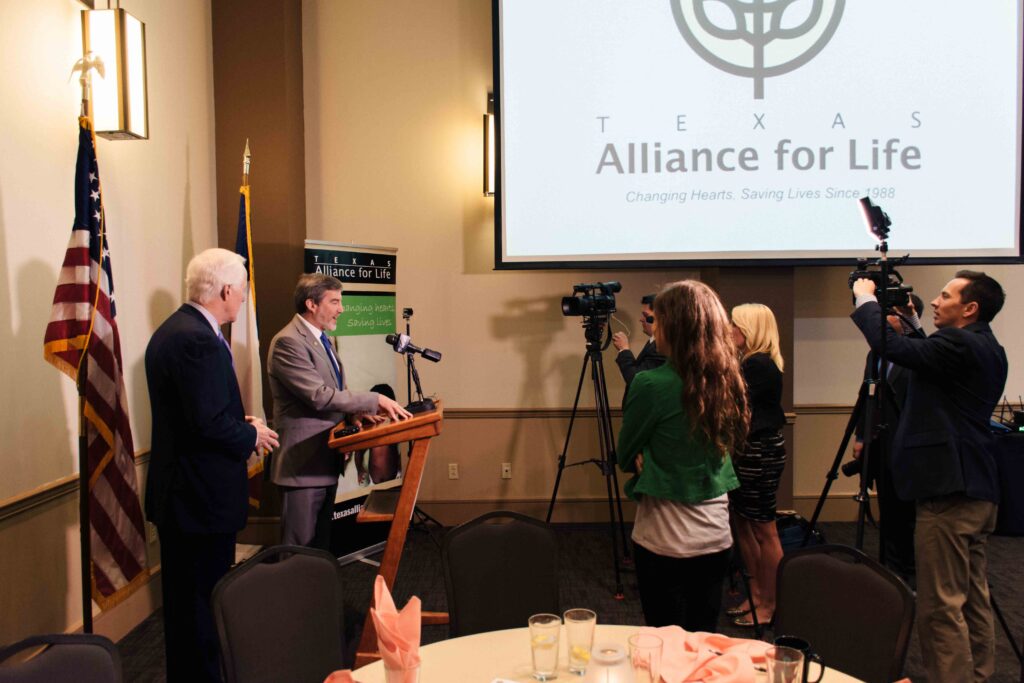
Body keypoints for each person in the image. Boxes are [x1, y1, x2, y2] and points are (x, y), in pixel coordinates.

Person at [851, 270, 1007, 683]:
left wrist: (864, 299)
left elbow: (891, 346)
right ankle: (977, 674)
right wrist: (916, 324)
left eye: (945, 295)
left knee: (939, 606)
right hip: (975, 486)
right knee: (972, 596)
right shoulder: (984, 345)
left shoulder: (958, 343)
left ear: (970, 308)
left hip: (949, 491)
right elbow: (927, 359)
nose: (935, 301)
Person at [145, 248, 280, 682]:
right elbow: (205, 426)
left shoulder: (177, 329)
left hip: (188, 499)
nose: (241, 300)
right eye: (241, 292)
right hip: (196, 503)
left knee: (190, 611)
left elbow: (194, 415)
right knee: (200, 613)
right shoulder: (197, 339)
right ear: (225, 290)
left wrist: (235, 423)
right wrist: (252, 435)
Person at [617, 280, 748, 632]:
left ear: (673, 326)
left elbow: (625, 453)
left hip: (663, 537)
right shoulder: (727, 377)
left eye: (657, 320)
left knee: (666, 641)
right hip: (716, 535)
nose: (654, 327)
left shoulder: (650, 384)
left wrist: (644, 451)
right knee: (704, 637)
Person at [268, 273, 411, 550]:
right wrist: (375, 399)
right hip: (303, 467)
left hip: (326, 460)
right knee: (298, 553)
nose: (341, 309)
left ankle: (318, 594)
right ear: (311, 304)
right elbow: (318, 396)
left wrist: (355, 415)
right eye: (334, 301)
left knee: (319, 548)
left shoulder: (326, 340)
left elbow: (335, 392)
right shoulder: (288, 342)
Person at [851, 293, 924, 581]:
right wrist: (860, 436)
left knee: (905, 516)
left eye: (889, 314)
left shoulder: (917, 353)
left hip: (906, 448)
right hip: (879, 445)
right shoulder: (875, 354)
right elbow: (865, 397)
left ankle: (906, 573)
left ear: (906, 318)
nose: (883, 320)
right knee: (887, 512)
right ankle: (887, 569)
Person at [726, 303, 786, 628]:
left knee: (764, 528)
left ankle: (770, 603)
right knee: (745, 524)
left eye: (735, 325)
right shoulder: (748, 362)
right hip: (747, 450)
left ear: (749, 329)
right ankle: (757, 595)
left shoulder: (758, 364)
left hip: (759, 451)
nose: (729, 331)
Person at [612, 293, 666, 401]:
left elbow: (636, 380)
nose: (641, 319)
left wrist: (624, 350)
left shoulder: (661, 346)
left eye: (646, 316)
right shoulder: (653, 341)